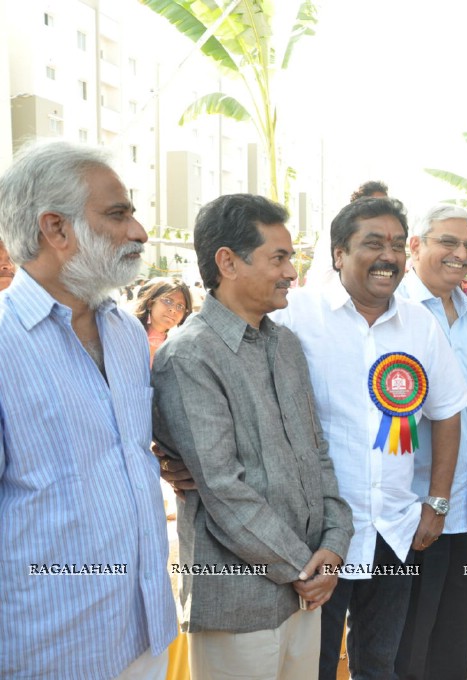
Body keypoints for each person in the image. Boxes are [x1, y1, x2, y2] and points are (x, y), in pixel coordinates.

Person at [151, 194, 354, 679]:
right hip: (239, 600)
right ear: (228, 262)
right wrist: (306, 568)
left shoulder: (284, 344)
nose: (291, 271)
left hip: (305, 590)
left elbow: (317, 452)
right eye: (278, 257)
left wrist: (336, 540)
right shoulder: (190, 357)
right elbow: (223, 489)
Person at [272, 197, 467, 680]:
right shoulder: (295, 315)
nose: (389, 256)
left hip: (394, 528)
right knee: (312, 664)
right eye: (373, 243)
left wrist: (438, 502)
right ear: (339, 253)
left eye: (398, 245)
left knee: (379, 662)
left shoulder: (420, 325)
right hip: (317, 533)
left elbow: (448, 413)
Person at [0, 140, 177, 678]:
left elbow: (125, 451)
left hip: (146, 629)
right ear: (56, 229)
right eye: (117, 214)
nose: (140, 232)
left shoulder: (124, 331)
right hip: (51, 648)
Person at [394, 204, 467, 679]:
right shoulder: (395, 312)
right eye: (449, 242)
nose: (461, 254)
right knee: (406, 647)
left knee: (454, 645)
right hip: (414, 512)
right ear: (416, 246)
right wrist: (430, 504)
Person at [134, 277, 193, 363]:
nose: (173, 310)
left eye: (180, 306)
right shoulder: (131, 334)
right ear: (150, 303)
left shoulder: (176, 347)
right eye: (168, 301)